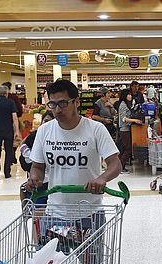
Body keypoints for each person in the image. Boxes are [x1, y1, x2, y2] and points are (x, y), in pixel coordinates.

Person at [27, 79, 122, 213]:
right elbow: (37, 167)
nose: (58, 110)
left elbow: (115, 164)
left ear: (76, 102)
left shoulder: (96, 129)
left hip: (90, 212)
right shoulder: (44, 130)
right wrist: (35, 177)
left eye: (63, 103)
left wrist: (102, 179)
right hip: (55, 211)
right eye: (53, 104)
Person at [19, 111, 54, 207]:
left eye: (51, 122)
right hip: (39, 182)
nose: (47, 124)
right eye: (45, 121)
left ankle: (29, 215)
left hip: (47, 184)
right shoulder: (35, 136)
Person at [0, 85, 21, 179]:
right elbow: (14, 117)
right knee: (9, 150)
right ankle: (7, 171)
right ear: (6, 93)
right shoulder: (10, 102)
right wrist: (17, 130)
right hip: (8, 130)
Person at [117, 89, 143, 174]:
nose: (130, 96)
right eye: (128, 94)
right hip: (124, 129)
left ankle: (121, 167)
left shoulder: (126, 104)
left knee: (124, 148)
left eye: (130, 94)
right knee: (128, 149)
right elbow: (124, 119)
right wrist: (134, 120)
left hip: (125, 129)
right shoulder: (123, 105)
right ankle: (121, 167)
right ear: (125, 96)